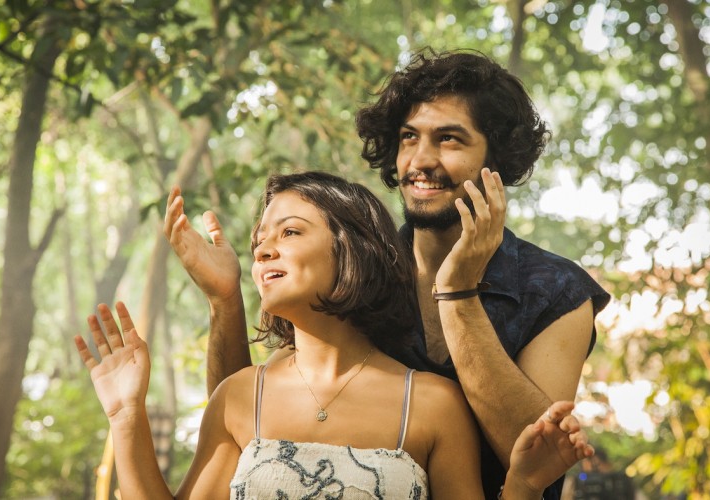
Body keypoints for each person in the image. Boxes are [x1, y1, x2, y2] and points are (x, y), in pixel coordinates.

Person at [164, 50, 611, 499]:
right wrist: (225, 303)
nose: (422, 160)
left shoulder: (557, 291)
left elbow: (537, 458)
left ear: (498, 159)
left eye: (450, 139)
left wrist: (457, 293)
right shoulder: (357, 271)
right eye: (408, 138)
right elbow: (255, 418)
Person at [77, 171, 594, 499]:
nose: (261, 251)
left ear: (352, 250)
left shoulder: (434, 404)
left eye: (290, 232)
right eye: (260, 241)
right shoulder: (238, 396)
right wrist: (126, 416)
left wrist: (524, 485)